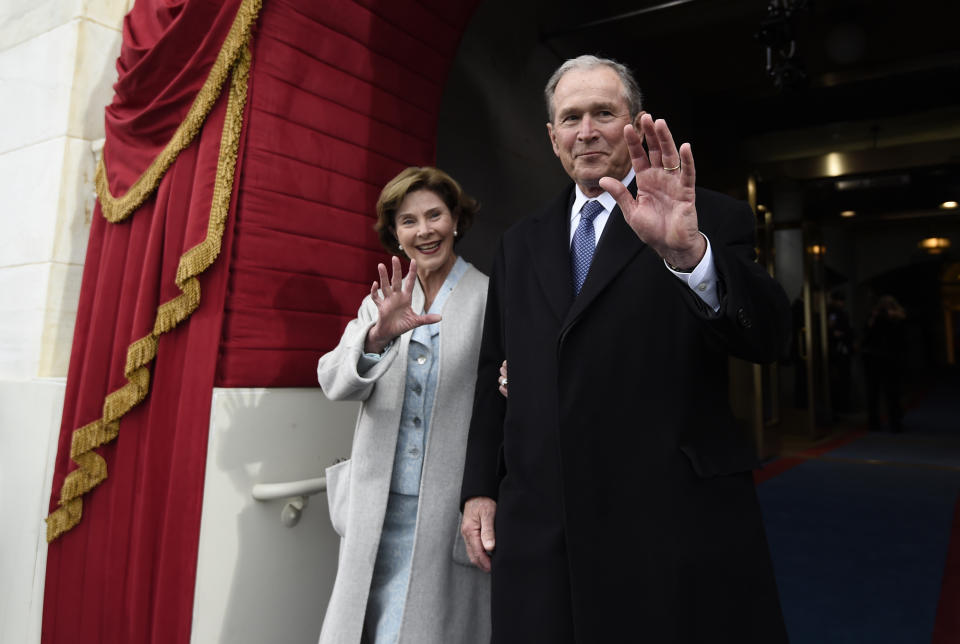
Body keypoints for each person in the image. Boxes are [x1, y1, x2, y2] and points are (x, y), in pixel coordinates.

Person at [459, 55, 791, 642]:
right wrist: (480, 488)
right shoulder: (519, 243)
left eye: (603, 113)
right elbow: (494, 371)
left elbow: (768, 337)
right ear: (552, 136)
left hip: (669, 525)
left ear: (635, 122)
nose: (586, 131)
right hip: (545, 531)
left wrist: (691, 257)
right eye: (570, 118)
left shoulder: (706, 216)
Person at [317, 167, 490, 643]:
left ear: (456, 220)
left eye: (435, 215)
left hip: (445, 513)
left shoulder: (488, 297)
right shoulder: (382, 302)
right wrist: (376, 336)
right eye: (408, 221)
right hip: (376, 508)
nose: (424, 230)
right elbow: (333, 381)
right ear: (395, 234)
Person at [862, 294, 907, 432]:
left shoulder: (890, 318)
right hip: (886, 359)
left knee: (879, 392)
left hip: (880, 359)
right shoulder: (889, 318)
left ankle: (878, 422)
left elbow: (868, 337)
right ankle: (893, 422)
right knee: (889, 392)